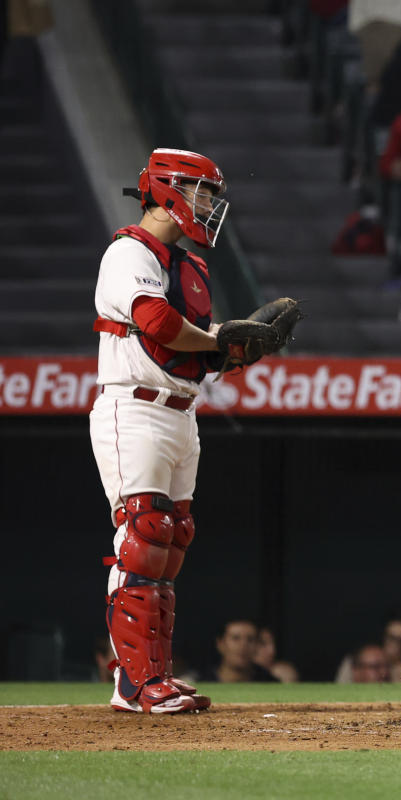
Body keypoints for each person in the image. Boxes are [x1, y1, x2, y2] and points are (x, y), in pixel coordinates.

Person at [89, 149, 230, 714]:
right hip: (135, 407)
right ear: (169, 189)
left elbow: (191, 355)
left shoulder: (187, 265)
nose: (208, 206)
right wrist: (221, 337)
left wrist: (236, 347)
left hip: (180, 410)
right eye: (201, 193)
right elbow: (159, 324)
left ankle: (154, 675)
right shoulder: (129, 251)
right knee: (143, 536)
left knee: (170, 541)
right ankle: (134, 682)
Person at [207, 620, 279, 683]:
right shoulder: (201, 682)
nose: (243, 645)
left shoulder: (269, 682)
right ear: (220, 643)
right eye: (236, 638)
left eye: (250, 639)